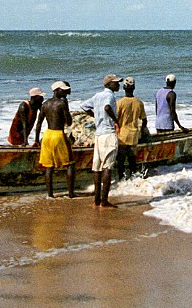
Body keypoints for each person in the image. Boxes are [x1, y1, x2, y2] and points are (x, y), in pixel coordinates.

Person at [80, 74, 122, 208]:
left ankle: (96, 200)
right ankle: (104, 201)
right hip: (108, 133)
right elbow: (107, 108)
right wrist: (116, 121)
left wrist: (96, 117)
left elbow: (84, 106)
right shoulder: (109, 96)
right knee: (107, 167)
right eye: (116, 83)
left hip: (98, 135)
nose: (118, 85)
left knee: (97, 168)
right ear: (109, 84)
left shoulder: (97, 96)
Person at [34, 81, 75, 198]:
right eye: (63, 90)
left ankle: (50, 194)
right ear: (56, 90)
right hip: (58, 135)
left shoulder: (45, 104)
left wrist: (37, 140)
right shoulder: (61, 104)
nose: (65, 92)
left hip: (47, 135)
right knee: (70, 164)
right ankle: (71, 193)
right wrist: (67, 106)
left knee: (49, 166)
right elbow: (69, 122)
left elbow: (39, 123)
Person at [116, 76, 148, 180]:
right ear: (134, 88)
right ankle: (133, 179)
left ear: (124, 88)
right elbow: (144, 120)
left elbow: (115, 118)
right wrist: (143, 131)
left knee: (120, 160)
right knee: (132, 160)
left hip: (122, 135)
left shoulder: (120, 103)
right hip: (134, 135)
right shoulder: (139, 102)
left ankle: (121, 179)